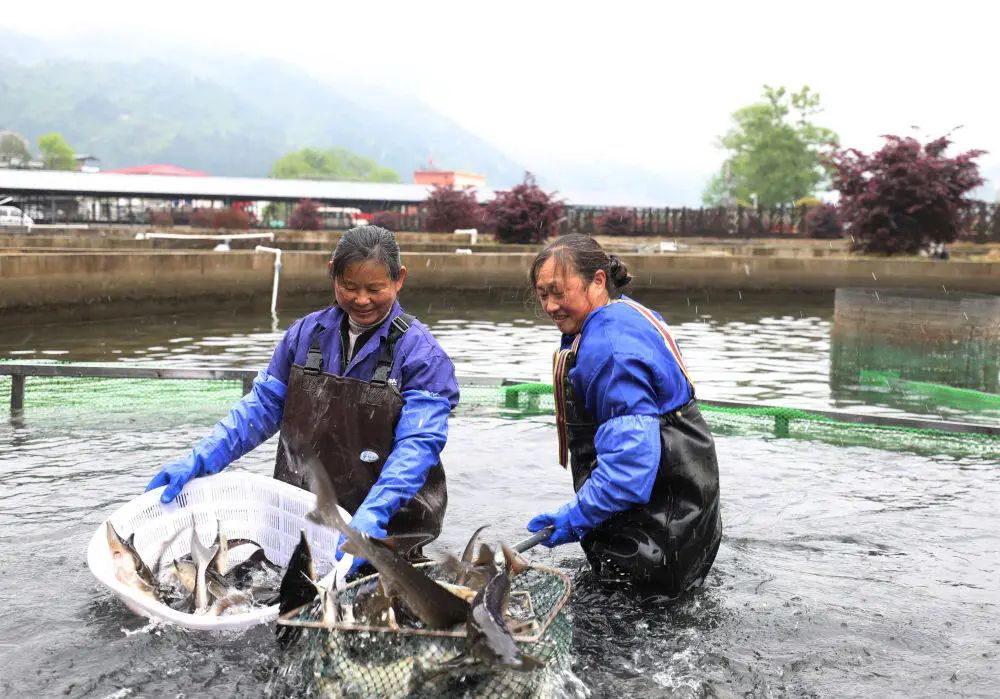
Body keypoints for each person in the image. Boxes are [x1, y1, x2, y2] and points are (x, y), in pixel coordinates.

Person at [146, 225, 459, 573]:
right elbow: (261, 409)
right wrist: (201, 459)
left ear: (399, 279)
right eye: (349, 287)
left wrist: (375, 513)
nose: (362, 300)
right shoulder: (305, 334)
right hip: (301, 519)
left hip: (390, 532)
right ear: (332, 275)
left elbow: (418, 446)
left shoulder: (423, 355)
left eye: (375, 288)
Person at [525, 234, 722, 600]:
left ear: (598, 280)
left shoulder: (610, 350)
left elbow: (630, 470)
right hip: (688, 521)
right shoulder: (629, 313)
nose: (550, 305)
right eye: (542, 295)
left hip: (655, 534)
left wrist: (575, 516)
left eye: (558, 291)